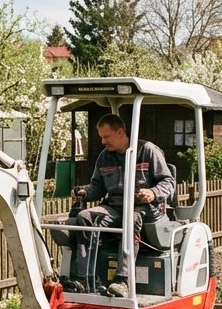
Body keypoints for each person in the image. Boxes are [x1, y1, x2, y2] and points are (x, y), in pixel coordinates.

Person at [69, 113, 175, 297]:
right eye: (101, 137)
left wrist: (153, 193)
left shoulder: (148, 151)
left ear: (120, 132)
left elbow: (168, 182)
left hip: (144, 209)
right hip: (115, 206)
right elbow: (97, 187)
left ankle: (123, 281)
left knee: (130, 218)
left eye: (106, 136)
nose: (103, 141)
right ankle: (84, 279)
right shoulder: (105, 157)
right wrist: (85, 192)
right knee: (84, 217)